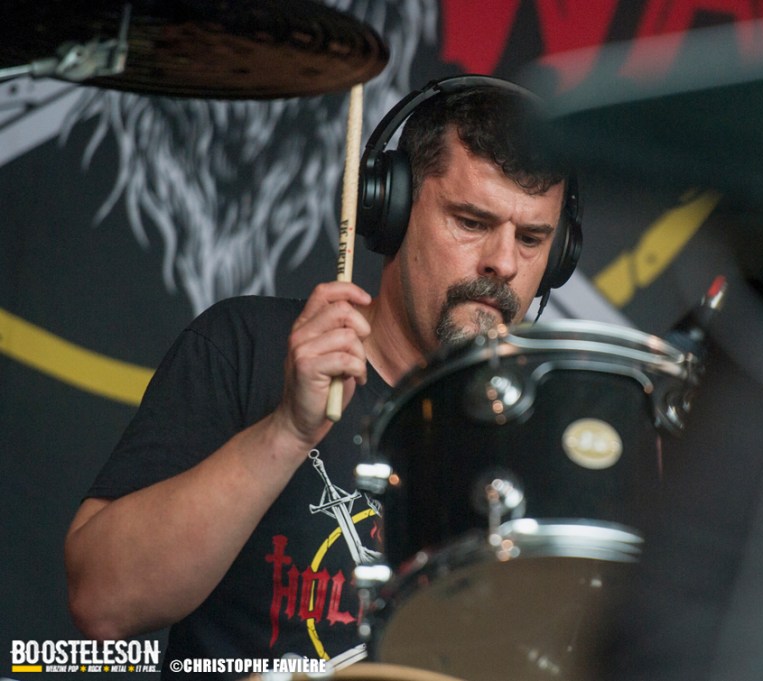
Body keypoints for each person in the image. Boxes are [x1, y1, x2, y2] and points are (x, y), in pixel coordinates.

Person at [64, 75, 579, 677]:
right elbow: (102, 601)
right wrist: (286, 430)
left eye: (532, 238)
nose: (504, 262)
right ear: (391, 211)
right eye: (471, 222)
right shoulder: (247, 346)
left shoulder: (550, 438)